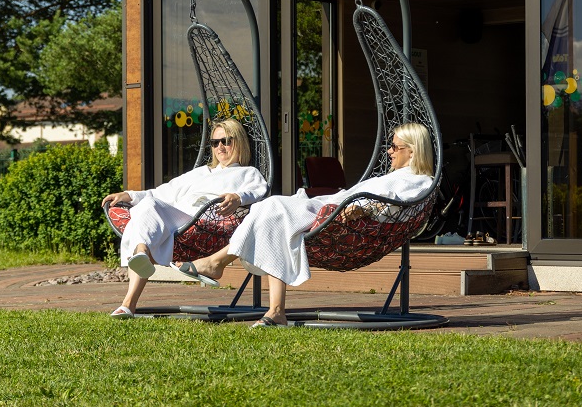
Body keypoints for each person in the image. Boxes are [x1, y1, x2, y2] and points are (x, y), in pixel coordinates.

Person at [177, 122, 434, 327]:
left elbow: (396, 204)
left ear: (412, 151)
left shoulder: (418, 181)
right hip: (329, 207)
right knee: (269, 215)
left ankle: (217, 263)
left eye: (395, 147)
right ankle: (275, 310)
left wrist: (362, 208)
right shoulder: (396, 176)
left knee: (272, 208)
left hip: (336, 219)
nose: (389, 151)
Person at [103, 118, 267, 319]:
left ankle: (135, 278)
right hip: (179, 220)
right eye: (215, 143)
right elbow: (162, 192)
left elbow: (259, 191)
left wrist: (238, 197)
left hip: (205, 224)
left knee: (148, 208)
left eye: (226, 141)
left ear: (239, 141)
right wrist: (128, 195)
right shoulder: (201, 173)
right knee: (146, 205)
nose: (220, 147)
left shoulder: (248, 173)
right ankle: (138, 267)